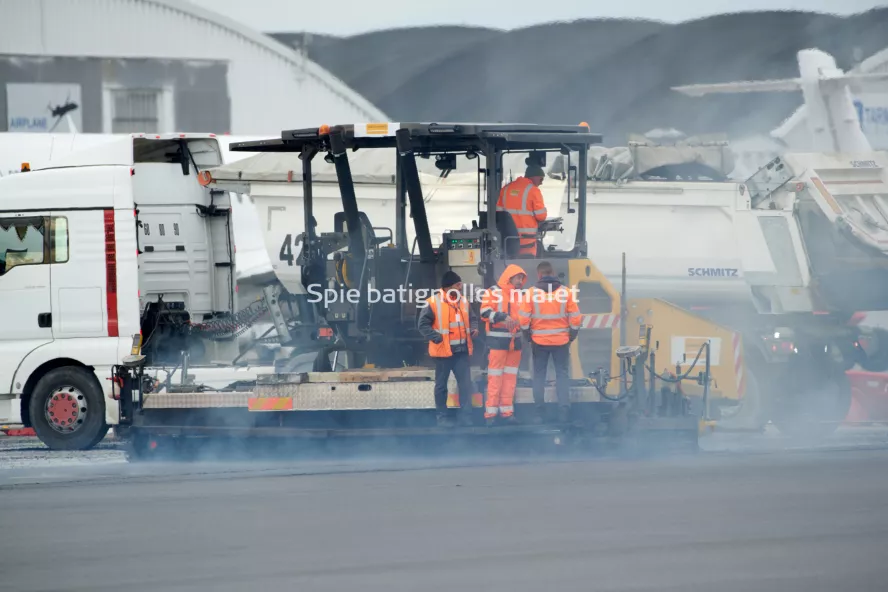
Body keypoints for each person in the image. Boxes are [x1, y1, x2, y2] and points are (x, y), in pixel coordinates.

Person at [518, 261, 582, 424]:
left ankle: (539, 412)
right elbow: (576, 318)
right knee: (562, 375)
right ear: (552, 273)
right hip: (561, 341)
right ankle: (564, 411)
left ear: (539, 275)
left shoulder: (531, 294)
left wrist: (528, 335)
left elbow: (523, 319)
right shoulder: (566, 293)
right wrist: (571, 335)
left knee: (539, 376)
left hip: (539, 342)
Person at [417, 271, 479, 427]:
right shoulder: (432, 302)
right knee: (441, 386)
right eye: (458, 284)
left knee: (465, 385)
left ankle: (466, 417)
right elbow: (422, 325)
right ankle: (442, 418)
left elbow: (472, 319)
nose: (461, 287)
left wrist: (474, 328)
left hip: (461, 352)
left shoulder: (463, 302)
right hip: (443, 352)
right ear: (449, 286)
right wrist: (437, 338)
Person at [479, 264, 528, 426]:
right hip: (498, 342)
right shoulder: (493, 292)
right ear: (510, 277)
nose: (520, 280)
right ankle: (490, 415)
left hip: (515, 343)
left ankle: (507, 412)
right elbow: (484, 312)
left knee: (510, 379)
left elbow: (526, 315)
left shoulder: (521, 295)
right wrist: (501, 317)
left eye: (522, 277)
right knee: (495, 378)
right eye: (518, 277)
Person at [497, 164, 548, 256]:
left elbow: (498, 213)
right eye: (541, 179)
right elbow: (541, 216)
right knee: (528, 266)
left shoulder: (505, 189)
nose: (541, 183)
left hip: (507, 240)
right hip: (527, 240)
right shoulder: (533, 190)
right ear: (534, 177)